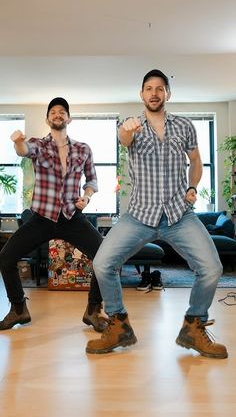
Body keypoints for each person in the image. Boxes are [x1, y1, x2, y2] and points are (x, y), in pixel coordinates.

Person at [86, 69, 228, 359]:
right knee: (102, 263)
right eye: (148, 88)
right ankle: (118, 323)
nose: (154, 93)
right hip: (139, 214)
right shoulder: (132, 126)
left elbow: (197, 161)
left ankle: (194, 326)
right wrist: (127, 129)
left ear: (167, 94)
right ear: (141, 94)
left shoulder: (185, 126)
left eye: (159, 88)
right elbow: (124, 137)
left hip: (179, 214)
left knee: (212, 268)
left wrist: (192, 185)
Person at [0, 97, 107, 333]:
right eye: (53, 112)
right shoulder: (39, 144)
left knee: (105, 257)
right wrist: (18, 142)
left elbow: (92, 180)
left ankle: (93, 310)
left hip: (72, 216)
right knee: (6, 258)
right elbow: (24, 150)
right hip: (42, 217)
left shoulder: (83, 149)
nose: (58, 114)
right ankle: (19, 309)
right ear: (47, 119)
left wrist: (86, 197)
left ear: (69, 118)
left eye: (62, 111)